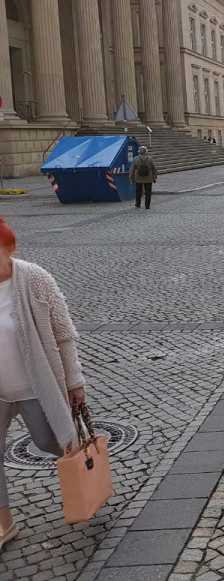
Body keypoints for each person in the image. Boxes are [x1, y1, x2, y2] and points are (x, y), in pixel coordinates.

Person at [0, 217, 86, 547]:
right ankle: (4, 523)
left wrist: (74, 382)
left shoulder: (34, 278)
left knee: (52, 441)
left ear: (10, 249)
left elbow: (63, 334)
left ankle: (88, 475)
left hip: (36, 385)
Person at [129, 145, 158, 210]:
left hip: (138, 178)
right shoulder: (150, 159)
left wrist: (131, 178)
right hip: (148, 178)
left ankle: (138, 204)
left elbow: (132, 169)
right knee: (148, 192)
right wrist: (155, 176)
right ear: (146, 152)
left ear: (139, 152)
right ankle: (147, 205)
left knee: (138, 191)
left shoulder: (135, 159)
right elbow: (154, 168)